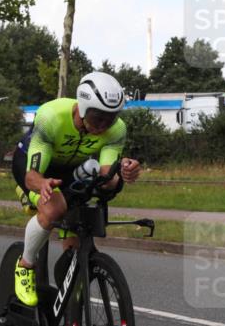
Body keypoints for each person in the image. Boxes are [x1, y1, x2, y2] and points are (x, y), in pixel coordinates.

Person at [11, 72, 141, 308]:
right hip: (35, 166)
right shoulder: (51, 117)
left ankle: (69, 312)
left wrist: (122, 173)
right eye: (97, 117)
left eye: (109, 119)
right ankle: (25, 266)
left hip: (71, 170)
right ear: (82, 108)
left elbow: (105, 179)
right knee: (54, 208)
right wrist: (42, 185)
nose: (102, 126)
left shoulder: (117, 130)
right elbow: (32, 176)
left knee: (82, 211)